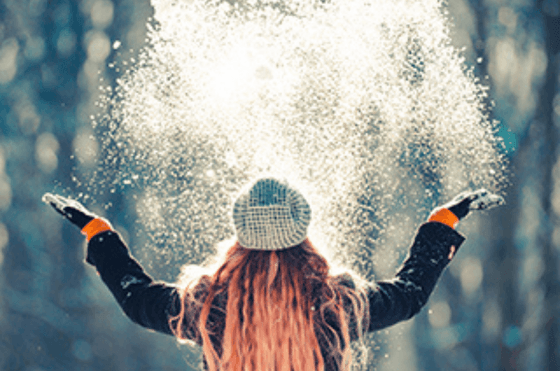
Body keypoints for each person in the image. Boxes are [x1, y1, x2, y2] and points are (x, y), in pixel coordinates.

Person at [43, 177, 504, 371]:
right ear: (303, 232)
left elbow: (135, 297)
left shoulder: (208, 308)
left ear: (239, 235)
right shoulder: (334, 306)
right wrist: (442, 223)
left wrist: (99, 233)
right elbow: (409, 293)